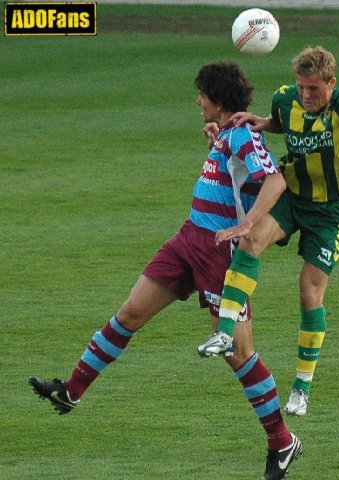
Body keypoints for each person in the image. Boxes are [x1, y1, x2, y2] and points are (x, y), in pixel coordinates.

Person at [28, 61, 302, 480]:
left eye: (201, 95)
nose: (197, 101)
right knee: (130, 313)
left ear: (217, 98)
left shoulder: (245, 134)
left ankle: (282, 442)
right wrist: (217, 143)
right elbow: (231, 178)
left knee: (239, 352)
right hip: (188, 239)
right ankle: (71, 392)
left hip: (218, 254)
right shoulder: (228, 134)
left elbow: (275, 181)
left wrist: (247, 225)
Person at [197, 41, 339, 417]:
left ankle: (302, 387)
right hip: (291, 196)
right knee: (251, 238)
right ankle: (225, 330)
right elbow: (283, 121)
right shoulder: (285, 98)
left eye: (314, 89)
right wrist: (262, 122)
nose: (306, 95)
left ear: (331, 83)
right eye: (301, 87)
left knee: (309, 292)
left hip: (329, 210)